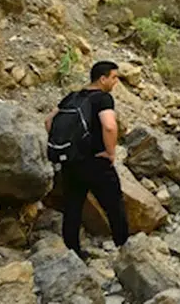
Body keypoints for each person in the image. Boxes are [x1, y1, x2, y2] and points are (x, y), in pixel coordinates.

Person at [46, 60, 128, 259]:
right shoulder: (103, 99)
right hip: (96, 161)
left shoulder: (73, 97)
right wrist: (110, 152)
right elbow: (109, 126)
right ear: (103, 79)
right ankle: (125, 249)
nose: (116, 82)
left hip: (71, 161)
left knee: (73, 205)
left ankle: (72, 251)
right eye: (114, 77)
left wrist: (66, 145)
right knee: (114, 205)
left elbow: (49, 121)